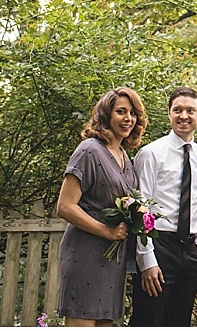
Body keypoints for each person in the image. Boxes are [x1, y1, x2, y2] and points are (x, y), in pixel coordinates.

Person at [56, 87, 146, 326]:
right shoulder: (89, 150)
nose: (128, 118)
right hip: (86, 254)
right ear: (106, 115)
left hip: (112, 259)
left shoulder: (125, 156)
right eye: (120, 112)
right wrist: (105, 231)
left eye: (132, 113)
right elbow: (65, 206)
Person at [131, 87, 197, 326]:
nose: (183, 116)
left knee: (179, 321)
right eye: (177, 110)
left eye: (190, 110)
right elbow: (139, 208)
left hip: (190, 250)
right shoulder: (151, 154)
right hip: (159, 245)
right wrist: (147, 261)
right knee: (149, 319)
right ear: (169, 114)